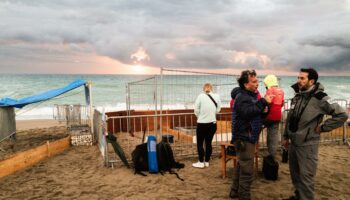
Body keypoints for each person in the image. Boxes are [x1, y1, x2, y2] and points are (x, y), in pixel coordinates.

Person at [282, 68, 347, 200]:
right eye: (298, 78)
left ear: (311, 81)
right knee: (295, 175)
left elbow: (342, 115)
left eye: (302, 78)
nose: (298, 81)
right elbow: (290, 117)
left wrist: (323, 127)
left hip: (308, 144)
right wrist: (285, 136)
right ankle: (298, 196)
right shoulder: (298, 95)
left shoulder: (321, 98)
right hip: (294, 142)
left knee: (306, 177)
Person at [229, 70, 273, 199]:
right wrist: (263, 102)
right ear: (245, 84)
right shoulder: (242, 97)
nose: (257, 84)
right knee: (247, 171)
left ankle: (234, 191)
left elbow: (254, 114)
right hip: (244, 137)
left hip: (247, 136)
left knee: (241, 166)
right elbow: (247, 112)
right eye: (254, 82)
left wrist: (264, 110)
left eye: (257, 80)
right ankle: (244, 196)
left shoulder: (251, 96)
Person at [193, 83, 221, 168]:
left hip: (202, 123)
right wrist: (212, 114)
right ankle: (207, 161)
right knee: (208, 143)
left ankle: (201, 162)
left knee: (200, 143)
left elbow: (196, 109)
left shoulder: (200, 96)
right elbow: (218, 109)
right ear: (211, 89)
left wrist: (200, 116)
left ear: (203, 89)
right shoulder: (216, 96)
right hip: (212, 123)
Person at [263, 74, 284, 158]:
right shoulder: (281, 91)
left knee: (257, 128)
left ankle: (254, 150)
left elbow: (266, 103)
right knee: (273, 136)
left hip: (269, 116)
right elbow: (282, 103)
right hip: (278, 116)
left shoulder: (270, 90)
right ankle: (272, 154)